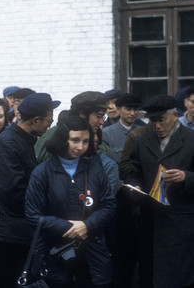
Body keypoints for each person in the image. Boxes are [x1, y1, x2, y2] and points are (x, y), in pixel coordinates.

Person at [25, 116, 116, 288]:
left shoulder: (95, 170)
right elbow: (33, 215)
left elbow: (109, 205)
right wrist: (68, 228)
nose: (81, 147)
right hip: (54, 256)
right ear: (63, 139)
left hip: (93, 256)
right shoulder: (42, 173)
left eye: (85, 141)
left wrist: (87, 225)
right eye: (75, 140)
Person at [0, 93, 60, 288]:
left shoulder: (25, 140)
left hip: (21, 231)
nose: (48, 126)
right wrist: (41, 208)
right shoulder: (9, 143)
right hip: (10, 236)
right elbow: (11, 192)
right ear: (36, 120)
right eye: (47, 121)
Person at [125, 95, 194, 288]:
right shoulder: (142, 141)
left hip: (182, 225)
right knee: (150, 276)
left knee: (179, 277)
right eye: (153, 121)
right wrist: (134, 187)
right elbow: (133, 172)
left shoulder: (191, 140)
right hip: (150, 223)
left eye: (161, 120)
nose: (157, 126)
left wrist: (186, 178)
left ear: (175, 115)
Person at [36, 91, 113, 163]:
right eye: (98, 116)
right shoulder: (52, 136)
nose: (101, 122)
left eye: (103, 117)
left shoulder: (100, 144)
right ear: (82, 113)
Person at [102, 93, 144, 162]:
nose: (132, 113)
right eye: (128, 109)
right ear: (119, 109)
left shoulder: (143, 131)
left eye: (135, 109)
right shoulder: (106, 133)